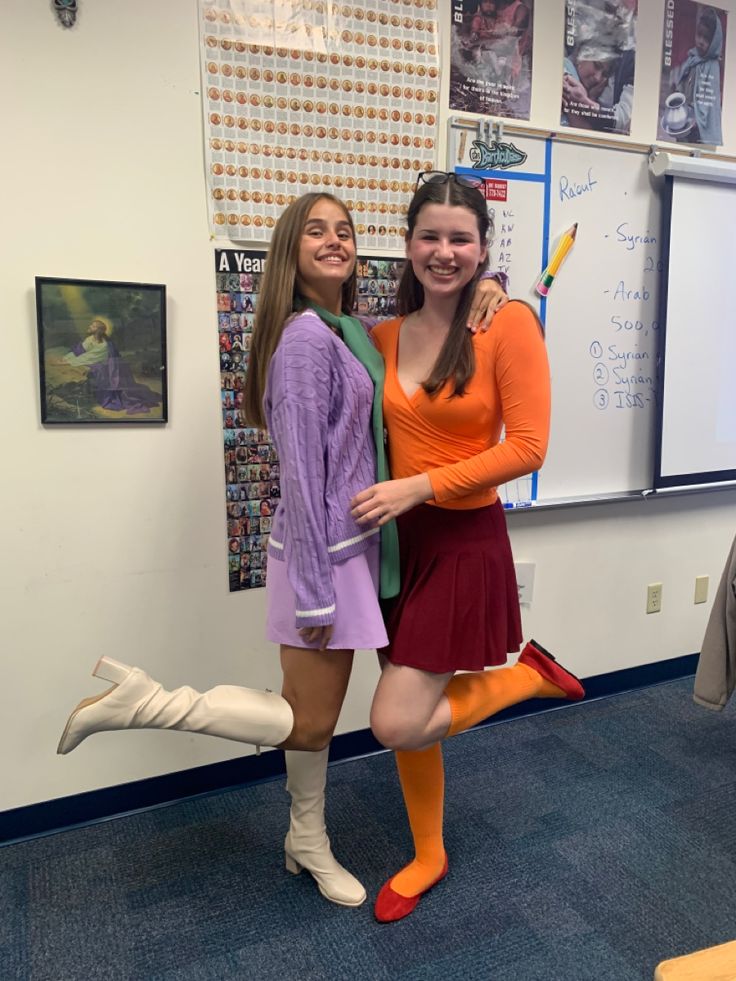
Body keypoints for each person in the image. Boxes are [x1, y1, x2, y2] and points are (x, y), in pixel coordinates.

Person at [56, 191, 508, 909]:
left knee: (312, 716)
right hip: (320, 554)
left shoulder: (351, 330)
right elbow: (299, 474)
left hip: (352, 548)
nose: (334, 240)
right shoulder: (304, 338)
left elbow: (432, 317)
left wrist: (493, 283)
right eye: (315, 231)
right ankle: (151, 702)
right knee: (312, 719)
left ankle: (306, 837)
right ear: (289, 253)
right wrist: (316, 590)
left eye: (344, 230)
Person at [349, 173, 585, 922]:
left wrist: (422, 487)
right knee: (410, 711)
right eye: (430, 236)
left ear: (482, 248)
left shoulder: (507, 322)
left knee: (394, 718)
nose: (443, 252)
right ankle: (429, 851)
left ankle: (528, 678)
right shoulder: (384, 334)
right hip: (395, 545)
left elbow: (531, 447)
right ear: (408, 241)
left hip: (460, 537)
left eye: (460, 239)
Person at [669, 5, 723, 145]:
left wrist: (695, 116)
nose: (700, 41)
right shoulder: (693, 56)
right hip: (685, 115)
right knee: (680, 144)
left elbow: (709, 99)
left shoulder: (712, 66)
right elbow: (683, 80)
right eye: (699, 35)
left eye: (706, 38)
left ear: (714, 41)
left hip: (698, 125)